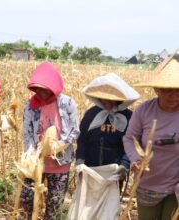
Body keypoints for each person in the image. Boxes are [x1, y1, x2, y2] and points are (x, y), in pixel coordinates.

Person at [20, 62, 80, 219]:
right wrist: (33, 153)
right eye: (37, 88)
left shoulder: (67, 104)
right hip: (35, 163)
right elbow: (27, 133)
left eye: (44, 88)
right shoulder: (30, 105)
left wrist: (55, 147)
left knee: (54, 204)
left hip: (60, 163)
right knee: (27, 199)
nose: (40, 92)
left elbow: (74, 131)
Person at [123, 54, 179, 220]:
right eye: (168, 91)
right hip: (147, 183)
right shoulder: (144, 111)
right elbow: (129, 138)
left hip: (175, 186)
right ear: (157, 90)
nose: (174, 97)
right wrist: (135, 158)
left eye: (178, 92)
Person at [76, 73, 140, 188]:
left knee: (110, 203)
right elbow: (82, 139)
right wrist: (80, 159)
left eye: (113, 100)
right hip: (91, 167)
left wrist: (125, 164)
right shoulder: (91, 114)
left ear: (120, 100)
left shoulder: (129, 117)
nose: (108, 103)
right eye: (104, 99)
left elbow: (132, 143)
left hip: (115, 170)